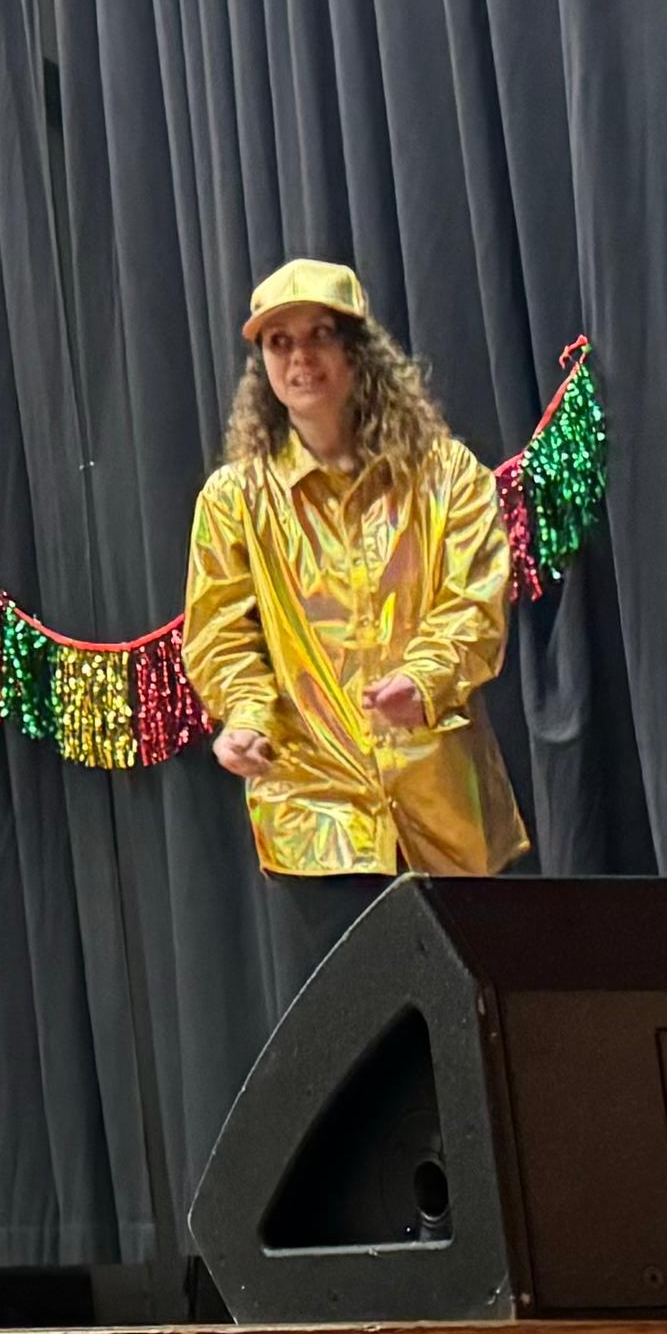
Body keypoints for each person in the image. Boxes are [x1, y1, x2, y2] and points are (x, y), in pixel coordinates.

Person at [184, 259, 529, 984]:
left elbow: (475, 604)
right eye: (279, 342)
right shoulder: (234, 500)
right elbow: (220, 636)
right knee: (369, 1033)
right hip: (318, 822)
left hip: (445, 805)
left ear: (359, 349)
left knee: (483, 1021)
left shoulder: (445, 475)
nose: (300, 358)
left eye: (320, 335)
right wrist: (247, 716)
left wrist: (422, 680)